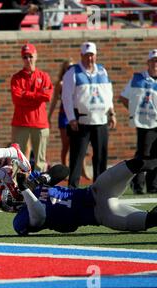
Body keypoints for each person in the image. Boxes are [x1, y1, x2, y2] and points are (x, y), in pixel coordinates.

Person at [8, 158, 157, 236]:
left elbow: (63, 170)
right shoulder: (21, 219)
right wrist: (25, 190)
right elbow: (39, 215)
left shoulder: (35, 185)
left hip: (96, 191)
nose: (14, 190)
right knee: (149, 220)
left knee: (136, 164)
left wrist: (42, 179)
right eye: (11, 193)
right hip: (101, 215)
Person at [62, 42, 116, 188]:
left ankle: (100, 187)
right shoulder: (72, 72)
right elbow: (66, 97)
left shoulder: (102, 71)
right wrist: (71, 118)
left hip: (101, 120)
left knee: (100, 157)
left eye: (91, 55)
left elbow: (108, 94)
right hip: (81, 121)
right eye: (86, 55)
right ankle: (73, 189)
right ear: (81, 56)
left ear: (95, 56)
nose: (89, 59)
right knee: (77, 157)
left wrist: (112, 112)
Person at [11, 43, 53, 172]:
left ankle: (37, 188)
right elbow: (17, 98)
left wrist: (26, 95)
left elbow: (47, 96)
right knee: (18, 159)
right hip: (21, 122)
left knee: (40, 161)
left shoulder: (44, 76)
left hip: (40, 123)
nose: (28, 59)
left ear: (36, 56)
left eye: (30, 56)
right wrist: (37, 96)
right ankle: (17, 187)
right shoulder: (17, 78)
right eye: (25, 57)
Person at [119, 49, 157, 194]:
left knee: (155, 155)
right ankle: (137, 185)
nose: (155, 63)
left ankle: (153, 186)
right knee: (143, 155)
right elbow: (123, 97)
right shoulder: (138, 78)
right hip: (145, 123)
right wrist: (134, 111)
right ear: (148, 62)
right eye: (153, 60)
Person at [48, 58, 92, 180]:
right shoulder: (61, 84)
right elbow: (54, 101)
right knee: (66, 144)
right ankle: (65, 170)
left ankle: (83, 170)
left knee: (80, 144)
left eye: (72, 67)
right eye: (67, 68)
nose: (70, 70)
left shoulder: (79, 80)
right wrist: (49, 116)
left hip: (77, 115)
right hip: (64, 116)